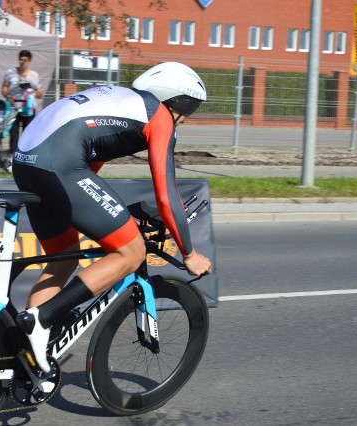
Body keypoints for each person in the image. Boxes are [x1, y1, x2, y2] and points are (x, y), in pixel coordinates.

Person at [12, 62, 213, 373]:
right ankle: (41, 318)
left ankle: (25, 356)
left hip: (27, 161)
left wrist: (117, 221)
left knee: (63, 258)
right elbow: (166, 194)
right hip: (58, 163)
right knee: (132, 252)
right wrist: (189, 253)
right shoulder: (159, 116)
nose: (186, 119)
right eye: (190, 109)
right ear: (176, 100)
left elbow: (90, 171)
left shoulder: (119, 100)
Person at [1, 50, 44, 154]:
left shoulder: (34, 75)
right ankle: (12, 158)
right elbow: (4, 88)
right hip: (14, 106)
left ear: (29, 61)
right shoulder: (11, 72)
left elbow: (40, 94)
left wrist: (30, 89)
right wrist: (8, 96)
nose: (23, 62)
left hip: (28, 107)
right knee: (13, 134)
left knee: (27, 135)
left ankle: (25, 158)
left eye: (25, 60)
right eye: (21, 59)